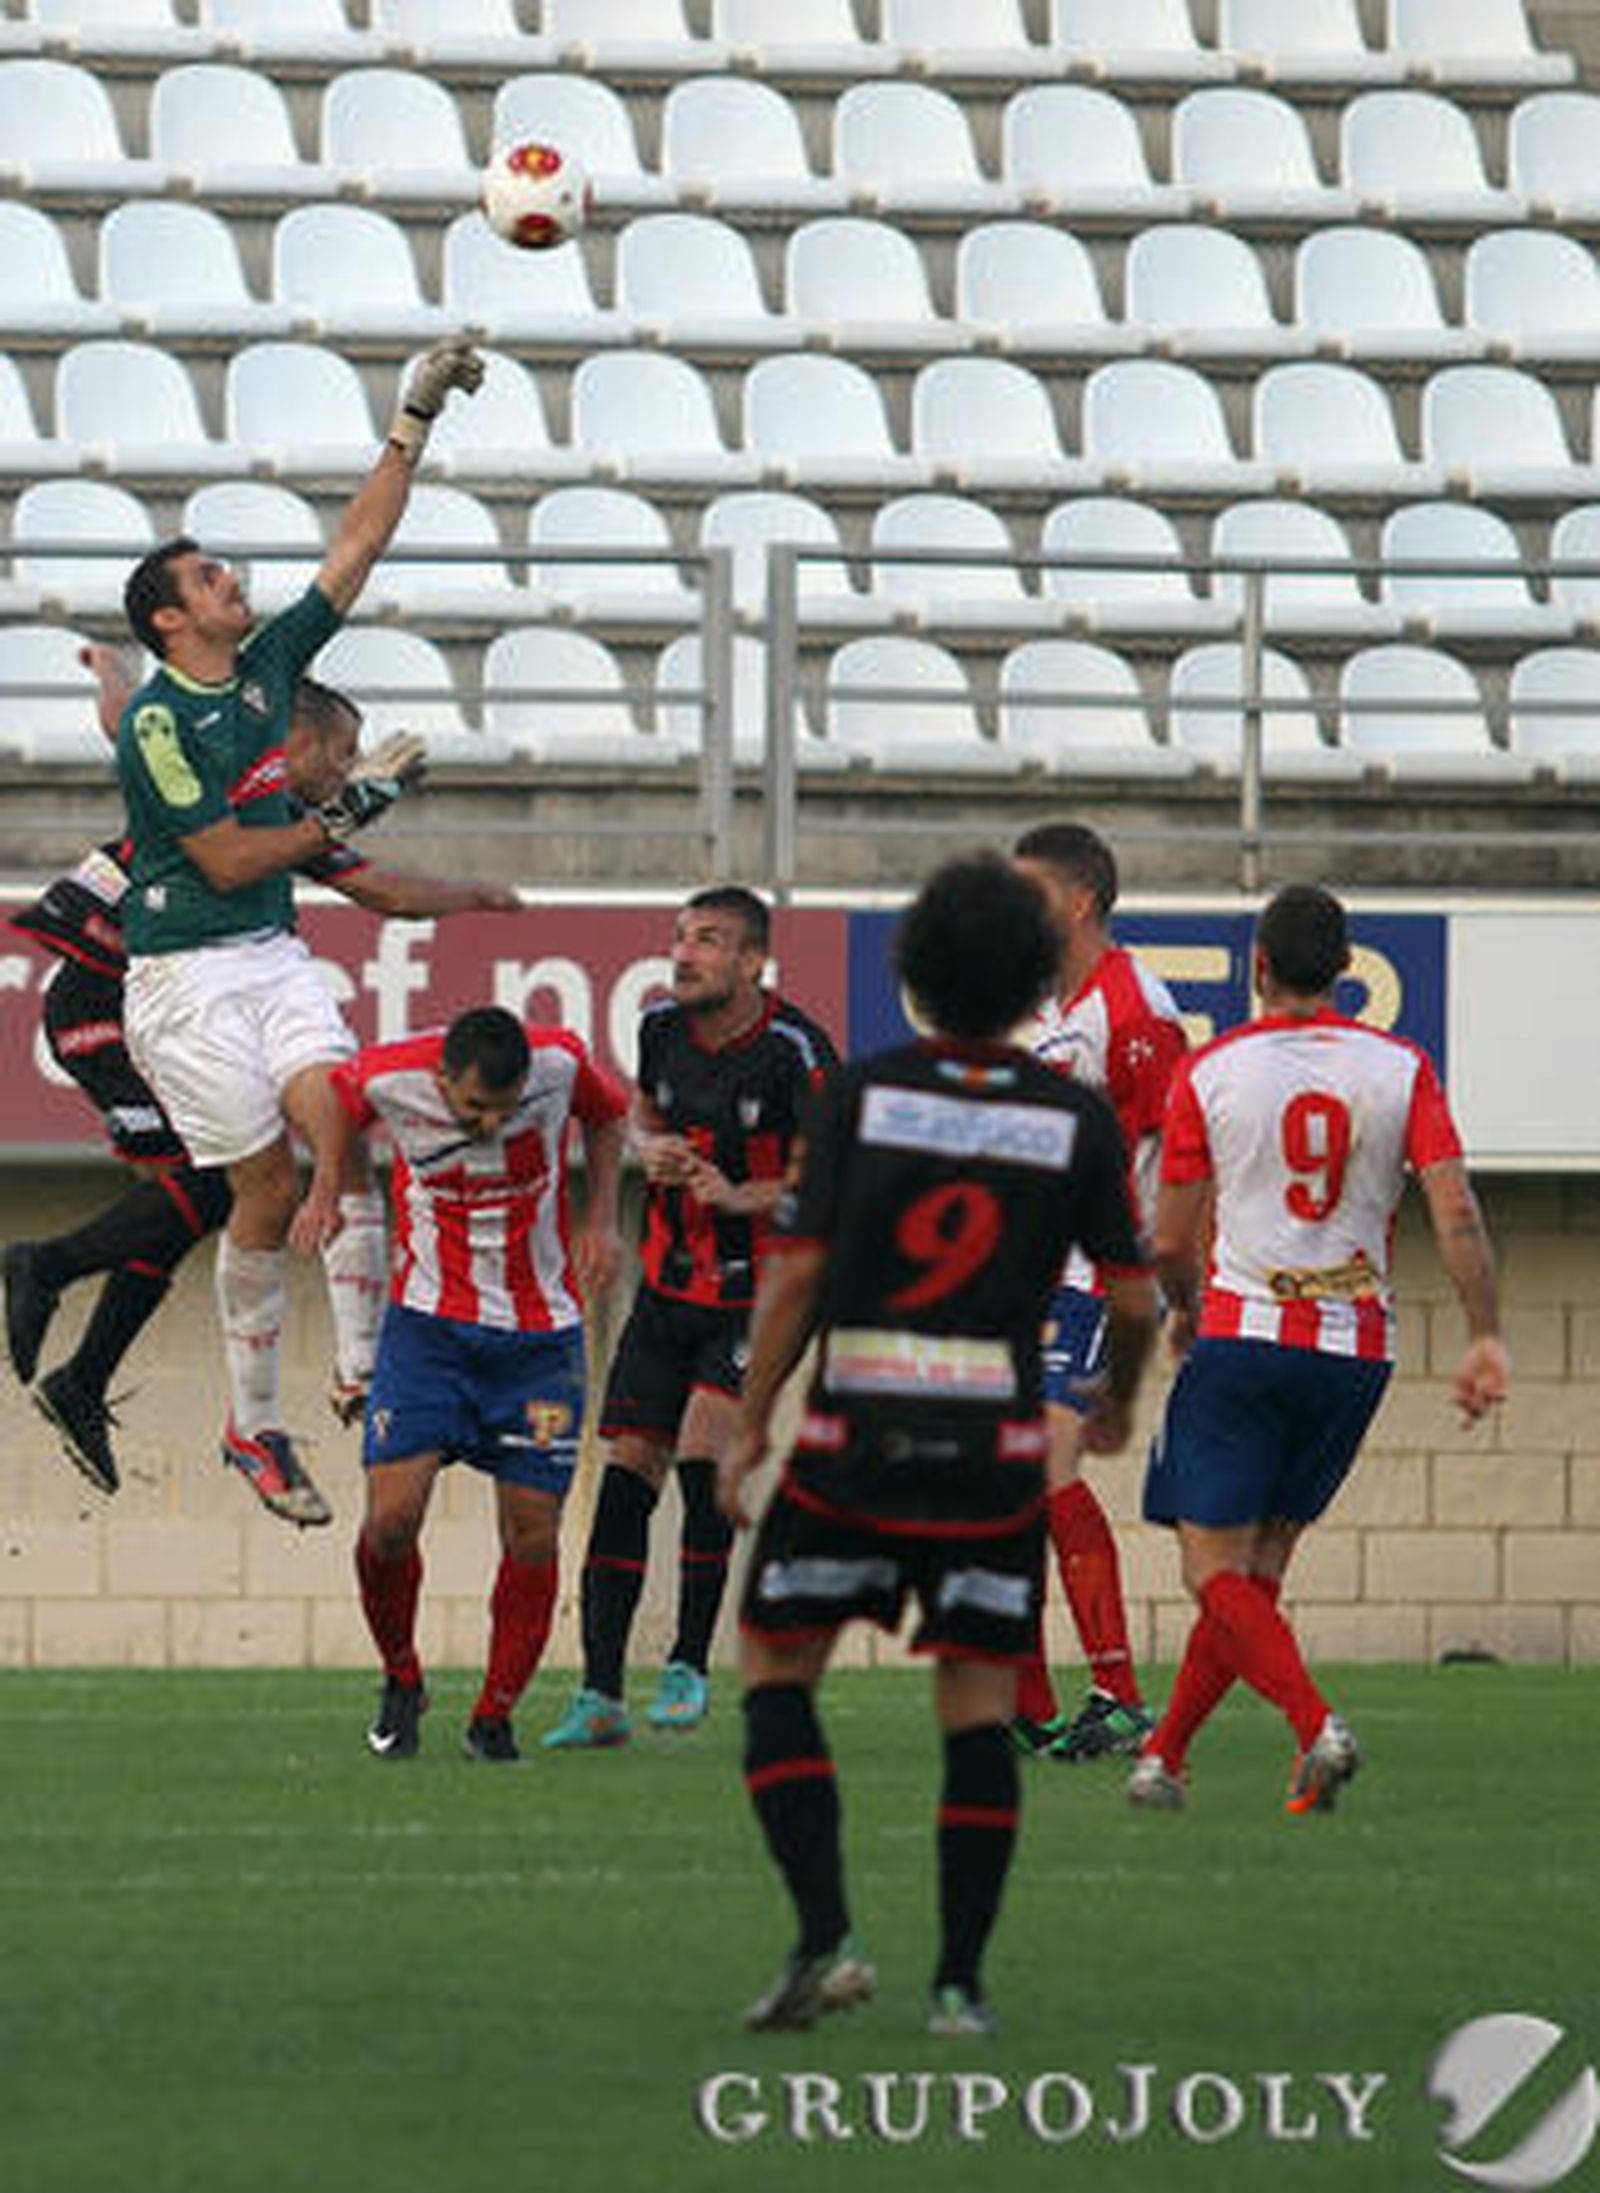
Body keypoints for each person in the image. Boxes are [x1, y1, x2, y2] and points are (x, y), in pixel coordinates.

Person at [719, 852, 1156, 2038]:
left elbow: (799, 1274)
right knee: (974, 1710)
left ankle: (825, 1939)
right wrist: (1114, 1399)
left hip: (855, 1432)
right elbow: (1130, 1295)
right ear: (1028, 979)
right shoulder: (1073, 1117)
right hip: (991, 1453)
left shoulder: (858, 1093)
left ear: (914, 969)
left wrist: (752, 1420)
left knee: (775, 1673)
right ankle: (959, 1986)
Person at [113, 336, 483, 1522]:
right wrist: (348, 810)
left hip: (269, 955)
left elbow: (358, 545)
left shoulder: (271, 662)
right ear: (173, 621)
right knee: (267, 1188)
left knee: (348, 1122)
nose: (234, 582)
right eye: (210, 577)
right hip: (182, 979)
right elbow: (224, 855)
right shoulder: (162, 724)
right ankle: (252, 1423)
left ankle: (366, 1366)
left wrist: (412, 417)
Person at [5, 655, 517, 1512]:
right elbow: (128, 728)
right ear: (296, 740)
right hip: (103, 1003)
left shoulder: (280, 818)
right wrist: (118, 680)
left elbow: (380, 885)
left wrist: (470, 894)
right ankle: (44, 1269)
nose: (348, 771)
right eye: (341, 753)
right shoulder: (220, 793)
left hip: (151, 1006)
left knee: (204, 1198)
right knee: (216, 1186)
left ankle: (82, 1375)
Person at [1128, 884, 1509, 1816]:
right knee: (1254, 1577)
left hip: (1246, 1337)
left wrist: (1181, 1311)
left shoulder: (1210, 1070)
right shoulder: (1401, 1065)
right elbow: (1455, 1209)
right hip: (1354, 1351)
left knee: (1210, 1572)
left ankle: (1315, 1726)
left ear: (1257, 966)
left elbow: (1173, 1243)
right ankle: (1163, 1760)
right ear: (1346, 972)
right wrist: (1485, 1333)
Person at [543, 886, 839, 1750]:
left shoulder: (798, 1051)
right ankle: (599, 1692)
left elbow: (831, 1180)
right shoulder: (661, 1030)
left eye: (708, 940)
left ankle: (687, 1663)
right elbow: (641, 1115)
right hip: (666, 1288)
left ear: (753, 963)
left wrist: (744, 1192)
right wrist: (648, 1147)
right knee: (625, 1473)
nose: (684, 953)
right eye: (679, 937)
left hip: (756, 1294)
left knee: (703, 1461)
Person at [291, 1005, 627, 1763]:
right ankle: (402, 1678)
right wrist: (326, 1189)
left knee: (534, 1532)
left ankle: (493, 1715)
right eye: (474, 1107)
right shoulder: (389, 1075)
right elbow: (332, 1105)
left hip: (539, 1342)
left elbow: (610, 1117)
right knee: (389, 1522)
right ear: (443, 1078)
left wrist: (603, 1216)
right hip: (426, 1331)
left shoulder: (561, 1062)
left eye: (505, 1112)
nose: (489, 1124)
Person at [1009, 822, 1188, 1762]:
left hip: (1105, 1274)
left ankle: (1116, 1693)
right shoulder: (1055, 1010)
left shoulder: (1133, 1005)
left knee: (1044, 1468)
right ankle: (1030, 1705)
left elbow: (1179, 1150)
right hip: (1048, 1273)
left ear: (1079, 901)